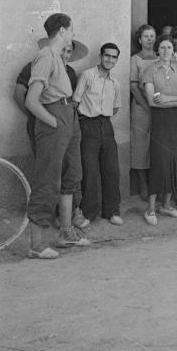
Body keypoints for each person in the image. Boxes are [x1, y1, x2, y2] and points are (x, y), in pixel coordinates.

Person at [25, 13, 90, 259]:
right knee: (47, 179)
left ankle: (65, 233)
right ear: (62, 30)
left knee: (72, 175)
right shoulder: (45, 56)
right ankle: (37, 245)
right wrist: (54, 122)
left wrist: (66, 122)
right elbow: (31, 100)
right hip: (55, 118)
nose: (73, 33)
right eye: (71, 29)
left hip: (68, 115)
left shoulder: (59, 59)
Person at [14, 39, 89, 229]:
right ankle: (49, 219)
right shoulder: (34, 66)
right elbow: (19, 94)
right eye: (62, 49)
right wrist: (42, 118)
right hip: (45, 126)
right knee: (49, 171)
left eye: (69, 51)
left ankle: (70, 216)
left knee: (71, 170)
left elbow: (69, 100)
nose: (65, 54)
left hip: (65, 125)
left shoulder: (70, 72)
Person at [142, 35, 177, 225]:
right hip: (161, 120)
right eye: (162, 48)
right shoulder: (149, 70)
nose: (165, 51)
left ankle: (167, 205)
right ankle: (151, 209)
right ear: (157, 50)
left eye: (169, 48)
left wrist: (166, 98)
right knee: (160, 160)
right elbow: (151, 101)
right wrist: (176, 100)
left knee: (176, 158)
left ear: (173, 51)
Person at [73, 43, 122, 225]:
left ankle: (111, 211)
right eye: (107, 56)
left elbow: (116, 107)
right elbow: (76, 102)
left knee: (111, 170)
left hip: (106, 125)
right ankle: (88, 213)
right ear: (100, 57)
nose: (110, 60)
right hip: (87, 125)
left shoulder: (115, 82)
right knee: (90, 171)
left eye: (114, 57)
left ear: (117, 60)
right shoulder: (87, 75)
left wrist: (103, 118)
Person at [129, 24, 157, 200]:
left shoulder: (160, 56)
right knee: (140, 145)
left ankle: (155, 183)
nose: (149, 39)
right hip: (142, 107)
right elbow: (133, 85)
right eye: (145, 36)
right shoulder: (135, 59)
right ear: (139, 40)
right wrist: (147, 106)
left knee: (156, 145)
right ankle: (143, 184)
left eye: (152, 36)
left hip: (159, 107)